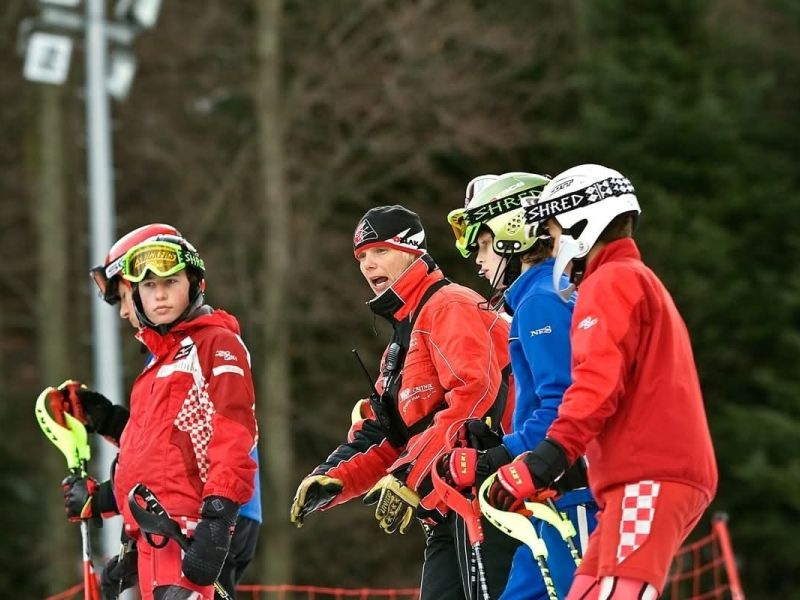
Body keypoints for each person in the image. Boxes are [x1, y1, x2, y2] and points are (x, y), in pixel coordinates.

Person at [487, 164, 718, 599]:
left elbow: (594, 384)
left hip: (647, 476)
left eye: (554, 233)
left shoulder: (610, 281)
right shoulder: (630, 279)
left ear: (580, 225)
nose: (553, 248)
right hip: (637, 479)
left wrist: (544, 461)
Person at [289, 205, 518, 600]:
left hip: (490, 491)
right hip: (446, 504)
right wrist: (333, 479)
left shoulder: (449, 305)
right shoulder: (403, 337)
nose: (367, 264)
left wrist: (410, 476)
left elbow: (475, 396)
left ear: (412, 251)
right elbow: (388, 430)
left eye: (379, 251)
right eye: (361, 256)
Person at [60, 229, 258, 600]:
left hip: (208, 518)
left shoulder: (212, 344)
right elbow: (157, 452)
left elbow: (229, 436)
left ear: (193, 283)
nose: (123, 310)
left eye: (121, 297)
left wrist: (217, 521)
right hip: (156, 527)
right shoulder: (159, 363)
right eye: (147, 287)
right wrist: (107, 501)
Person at [443, 172, 599, 599]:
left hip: (572, 496)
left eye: (480, 243)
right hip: (553, 499)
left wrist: (493, 457)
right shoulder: (550, 293)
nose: (475, 259)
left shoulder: (540, 302)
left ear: (512, 232)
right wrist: (503, 443)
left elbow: (562, 404)